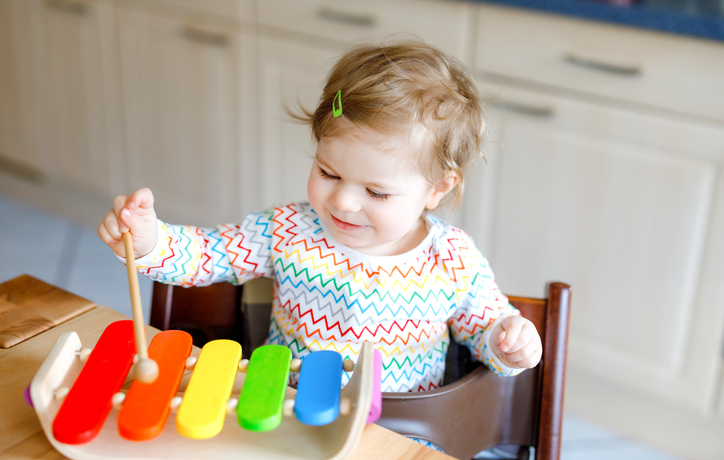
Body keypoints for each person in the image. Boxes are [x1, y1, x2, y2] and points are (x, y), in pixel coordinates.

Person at [98, 39, 542, 396]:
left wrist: (510, 339)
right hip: (281, 413)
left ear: (437, 189)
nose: (344, 201)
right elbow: (206, 254)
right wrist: (149, 242)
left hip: (396, 435)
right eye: (328, 172)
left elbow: (485, 331)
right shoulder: (289, 230)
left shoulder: (454, 259)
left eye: (376, 192)